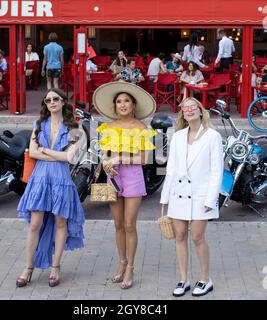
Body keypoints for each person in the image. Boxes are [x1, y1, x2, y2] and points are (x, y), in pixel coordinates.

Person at [16, 88, 85, 288]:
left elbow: (70, 157)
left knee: (60, 222)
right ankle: (28, 267)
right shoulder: (39, 125)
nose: (52, 102)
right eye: (48, 100)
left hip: (61, 179)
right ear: (45, 104)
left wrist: (44, 150)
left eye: (56, 99)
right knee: (35, 224)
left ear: (63, 102)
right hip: (40, 178)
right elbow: (33, 153)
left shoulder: (75, 128)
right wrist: (54, 153)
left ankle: (55, 266)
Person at [93, 82, 157, 290]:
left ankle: (130, 267)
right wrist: (105, 161)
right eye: (119, 101)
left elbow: (144, 159)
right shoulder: (108, 127)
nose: (122, 104)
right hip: (112, 176)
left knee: (130, 224)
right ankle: (121, 264)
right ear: (115, 105)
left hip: (132, 176)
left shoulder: (141, 128)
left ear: (133, 104)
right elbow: (104, 154)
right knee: (118, 224)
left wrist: (118, 158)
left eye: (126, 101)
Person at [160, 97, 223, 298]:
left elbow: (216, 171)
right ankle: (183, 278)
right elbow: (170, 168)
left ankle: (205, 279)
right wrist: (165, 197)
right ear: (182, 114)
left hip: (201, 194)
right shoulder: (177, 136)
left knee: (197, 237)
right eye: (185, 108)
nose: (189, 110)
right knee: (179, 236)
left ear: (200, 110)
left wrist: (211, 199)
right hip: (178, 193)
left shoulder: (212, 136)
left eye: (192, 107)